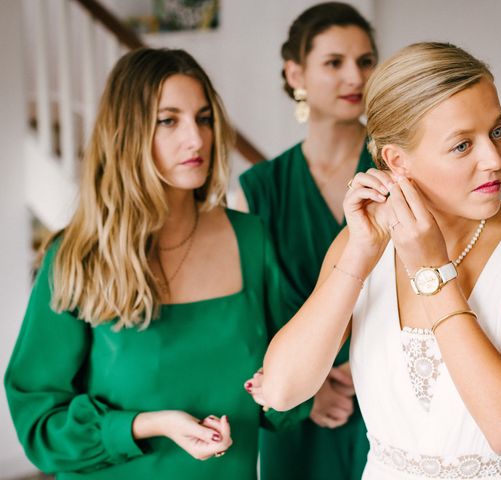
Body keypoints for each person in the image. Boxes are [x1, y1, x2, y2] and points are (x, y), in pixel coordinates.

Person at [260, 42, 501, 479]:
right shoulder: (361, 245)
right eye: (461, 146)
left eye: (497, 132)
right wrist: (358, 254)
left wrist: (431, 268)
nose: (493, 160)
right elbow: (281, 391)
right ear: (397, 160)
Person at [4, 48, 300, 480]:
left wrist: (288, 392)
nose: (196, 139)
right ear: (127, 132)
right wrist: (150, 425)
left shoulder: (252, 239)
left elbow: (287, 390)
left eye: (203, 118)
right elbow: (40, 425)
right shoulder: (79, 256)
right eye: (169, 120)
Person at [236, 3, 378, 479]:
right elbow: (247, 314)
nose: (354, 76)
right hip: (298, 408)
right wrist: (304, 387)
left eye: (365, 61)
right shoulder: (258, 190)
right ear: (295, 72)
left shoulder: (397, 171)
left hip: (385, 396)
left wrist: (375, 363)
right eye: (334, 63)